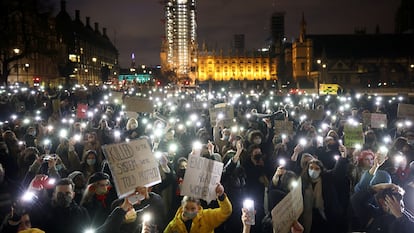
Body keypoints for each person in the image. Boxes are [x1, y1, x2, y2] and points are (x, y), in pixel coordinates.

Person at [164, 183, 232, 233]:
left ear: (198, 207)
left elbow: (226, 211)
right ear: (182, 207)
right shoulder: (174, 225)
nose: (189, 211)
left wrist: (221, 196)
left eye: (193, 208)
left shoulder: (207, 217)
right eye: (186, 208)